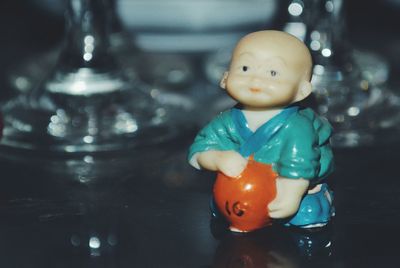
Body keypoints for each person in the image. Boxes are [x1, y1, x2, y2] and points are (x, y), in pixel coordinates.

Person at [188, 30, 334, 230]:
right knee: (219, 208)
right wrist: (217, 158)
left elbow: (300, 162)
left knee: (305, 215)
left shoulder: (297, 126)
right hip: (241, 188)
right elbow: (200, 148)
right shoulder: (227, 121)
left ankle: (317, 196)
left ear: (302, 90)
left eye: (273, 73)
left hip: (288, 186)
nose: (256, 80)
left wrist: (290, 193)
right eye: (245, 68)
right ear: (225, 77)